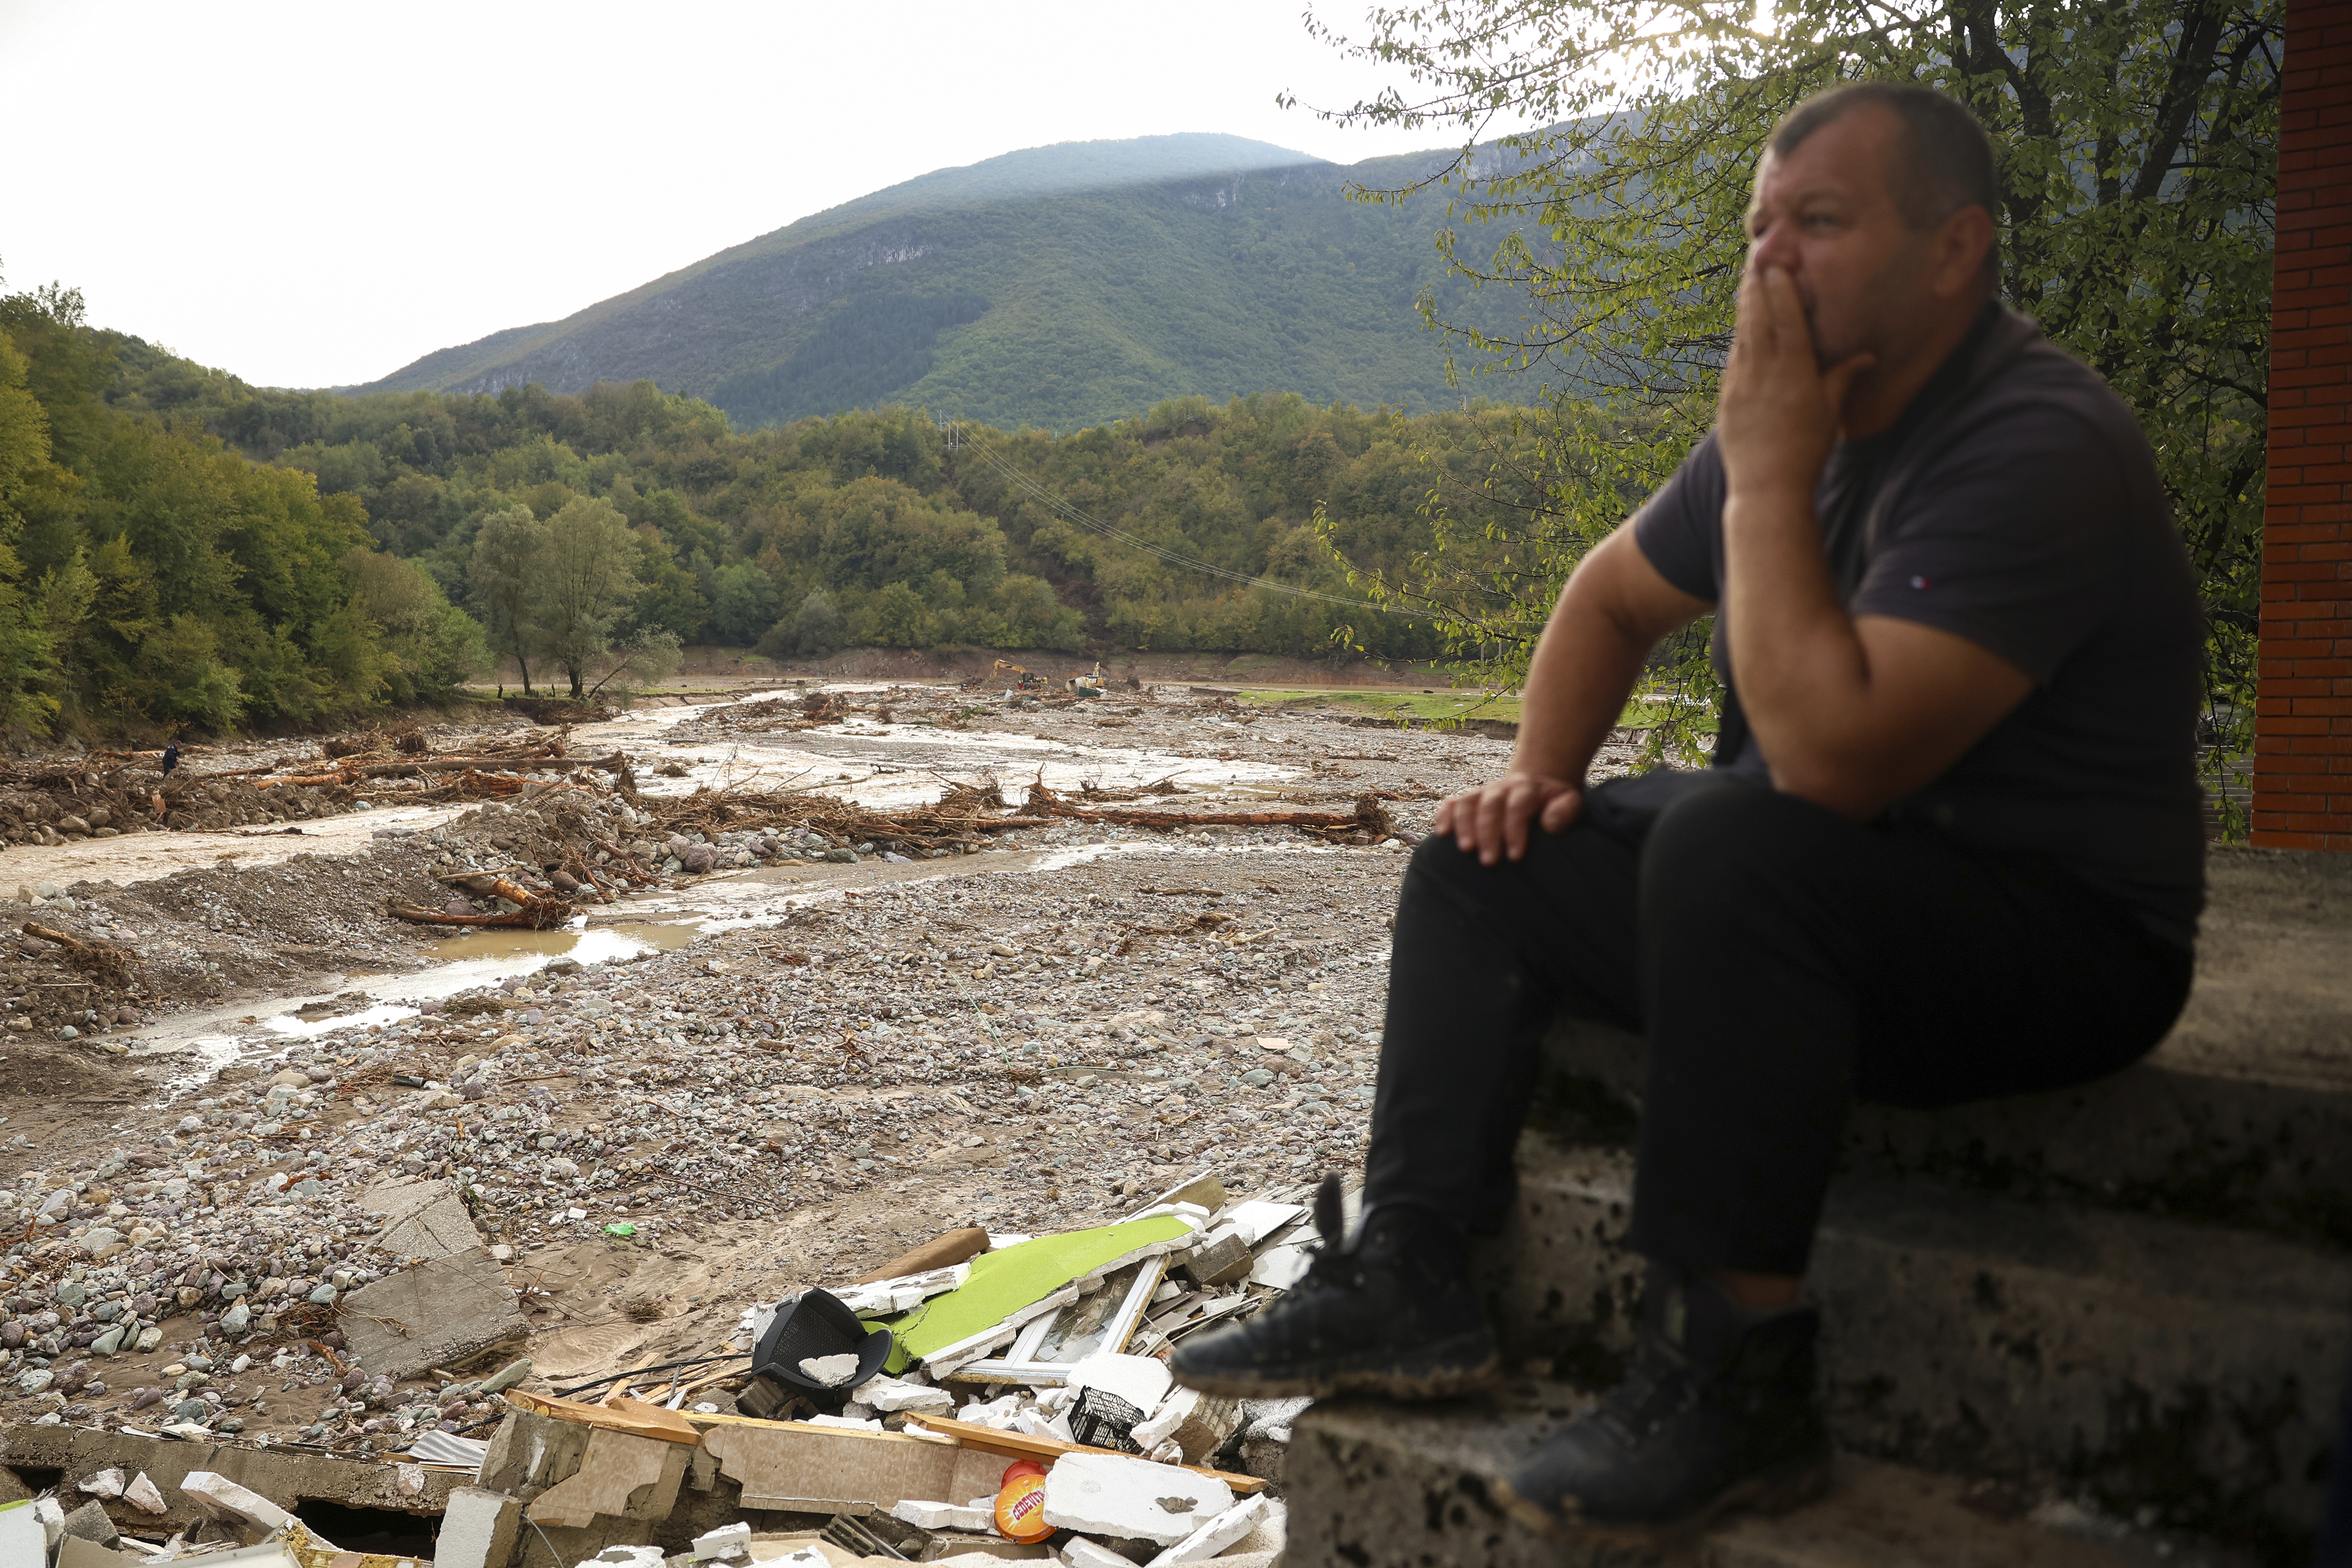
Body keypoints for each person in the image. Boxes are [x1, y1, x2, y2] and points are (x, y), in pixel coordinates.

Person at [1169, 81, 2204, 1542]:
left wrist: (1773, 470)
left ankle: (1731, 1372)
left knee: (1735, 832)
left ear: (1952, 249)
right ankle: (1411, 1271)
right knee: (1479, 858)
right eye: (1758, 228)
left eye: (1820, 225)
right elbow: (1606, 600)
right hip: (1817, 891)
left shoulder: (2033, 442)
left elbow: (1833, 760)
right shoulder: (1793, 417)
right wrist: (1539, 778)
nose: (1770, 262)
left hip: (2056, 937)